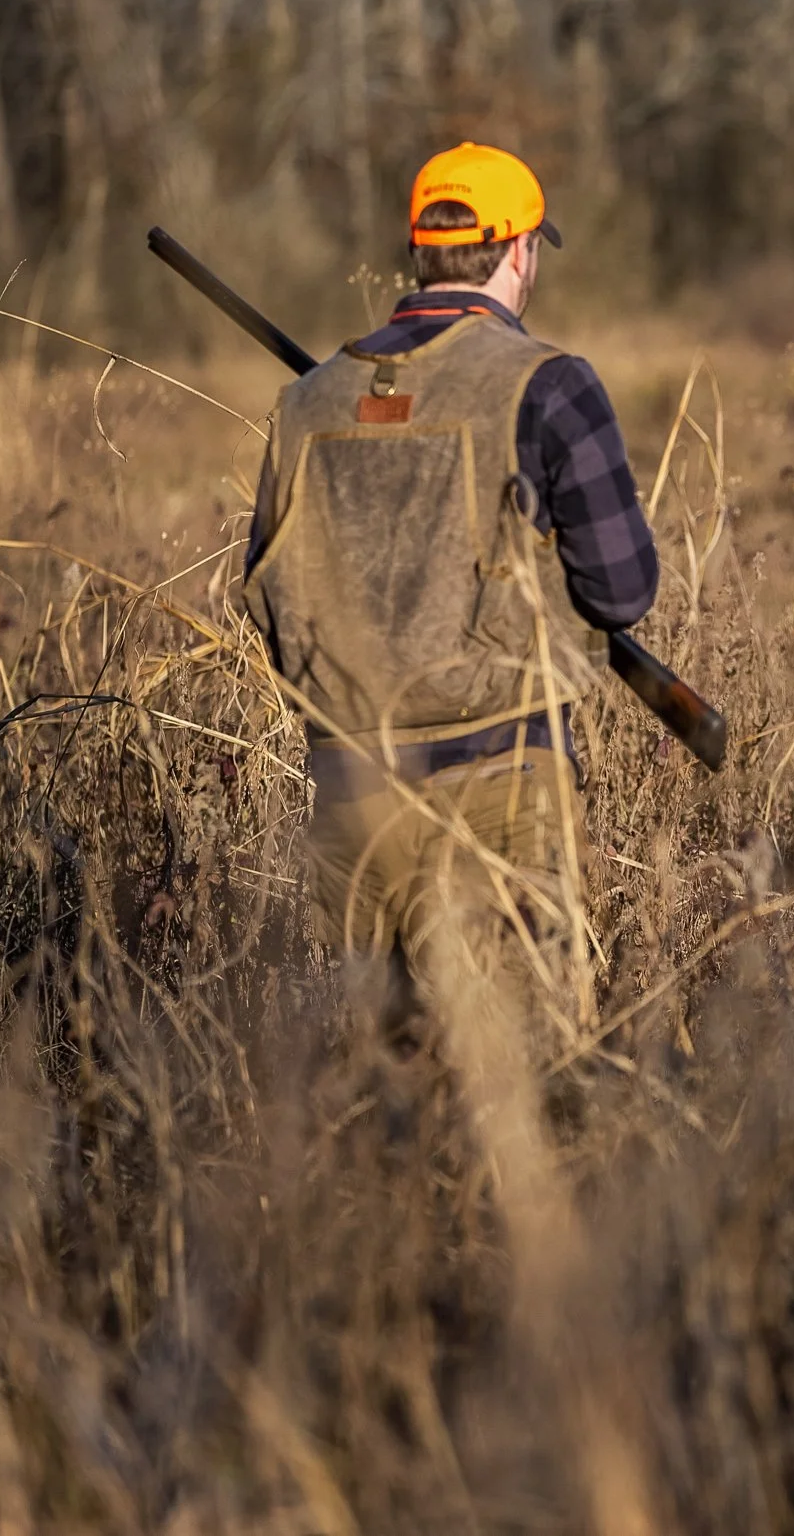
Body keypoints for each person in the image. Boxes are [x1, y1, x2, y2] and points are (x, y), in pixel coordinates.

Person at [242, 142, 657, 1022]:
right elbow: (623, 590)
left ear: (420, 252)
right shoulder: (549, 385)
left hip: (352, 792)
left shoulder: (307, 402)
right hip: (505, 783)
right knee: (526, 1084)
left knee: (382, 1097)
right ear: (519, 252)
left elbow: (267, 592)